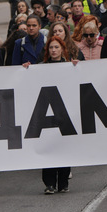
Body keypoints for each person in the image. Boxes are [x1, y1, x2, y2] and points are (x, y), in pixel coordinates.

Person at [36, 36, 79, 193]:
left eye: (56, 47)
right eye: (51, 48)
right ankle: (49, 183)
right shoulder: (40, 67)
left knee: (64, 148)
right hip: (46, 113)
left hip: (64, 113)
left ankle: (63, 182)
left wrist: (77, 68)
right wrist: (26, 69)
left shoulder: (69, 66)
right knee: (49, 148)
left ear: (62, 49)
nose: (53, 50)